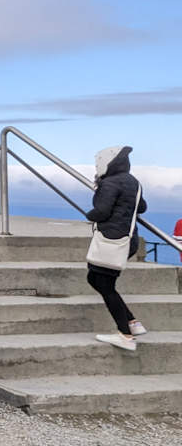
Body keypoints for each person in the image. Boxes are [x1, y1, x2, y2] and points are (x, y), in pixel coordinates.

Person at [87, 145, 149, 351]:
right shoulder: (133, 182)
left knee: (104, 285)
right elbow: (142, 207)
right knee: (95, 279)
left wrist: (91, 214)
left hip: (112, 240)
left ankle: (126, 335)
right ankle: (132, 322)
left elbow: (102, 211)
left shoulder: (110, 182)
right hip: (127, 240)